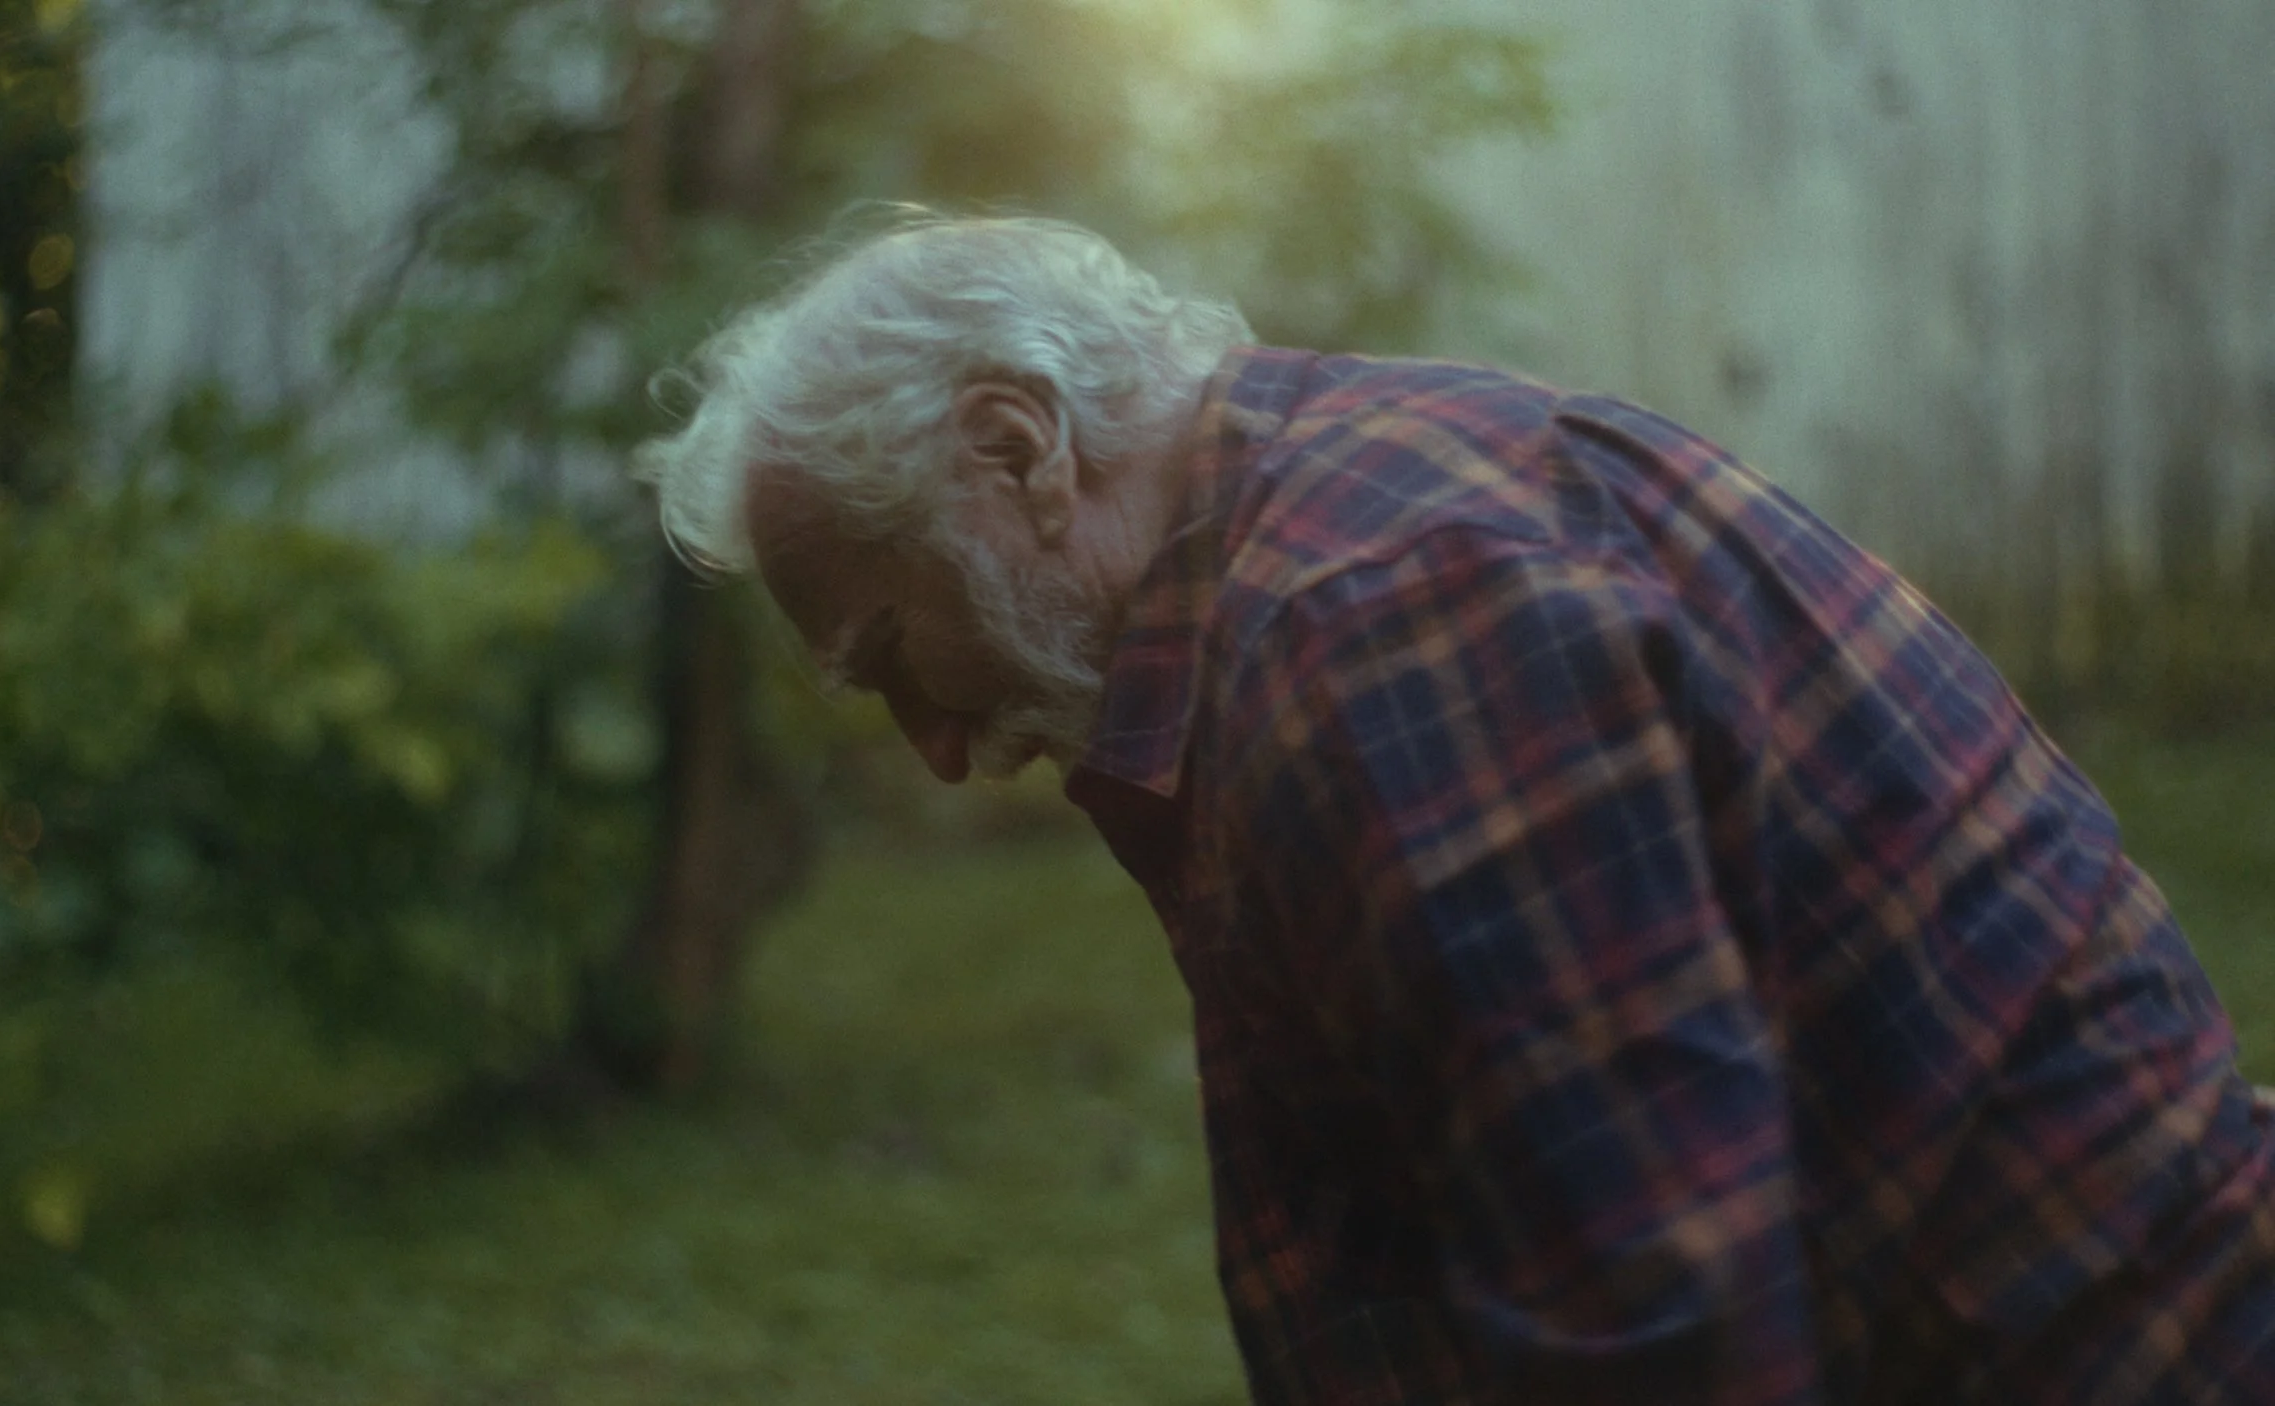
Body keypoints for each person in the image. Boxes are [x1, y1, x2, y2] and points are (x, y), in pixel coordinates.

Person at [634, 213, 2275, 1404]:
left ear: (1018, 449)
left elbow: (1653, 1312)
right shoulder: (1319, 543)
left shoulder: (1377, 615)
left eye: (890, 654)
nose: (932, 746)